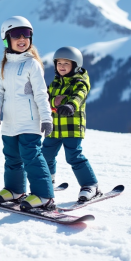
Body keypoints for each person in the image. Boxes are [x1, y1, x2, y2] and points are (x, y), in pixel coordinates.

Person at [0, 16, 55, 212]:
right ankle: (15, 190)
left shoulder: (32, 64)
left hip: (30, 120)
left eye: (26, 34)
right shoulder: (3, 66)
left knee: (31, 156)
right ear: (6, 39)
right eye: (16, 35)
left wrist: (46, 118)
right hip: (9, 122)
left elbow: (41, 93)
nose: (22, 38)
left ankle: (44, 195)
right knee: (11, 157)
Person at [43, 46, 100, 202]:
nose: (61, 66)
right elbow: (46, 99)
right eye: (59, 63)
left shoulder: (80, 82)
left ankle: (90, 185)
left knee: (73, 156)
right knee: (45, 154)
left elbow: (79, 95)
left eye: (66, 63)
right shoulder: (54, 83)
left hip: (72, 127)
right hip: (53, 127)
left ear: (75, 66)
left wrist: (71, 105)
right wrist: (52, 100)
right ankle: (49, 181)